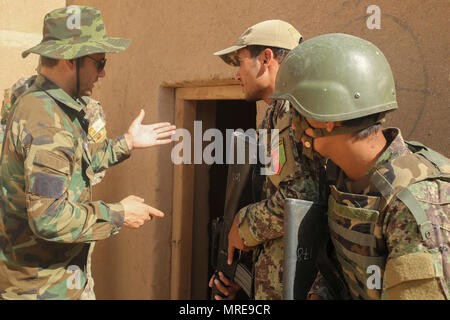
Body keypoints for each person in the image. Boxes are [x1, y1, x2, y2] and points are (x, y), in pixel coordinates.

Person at [0, 6, 176, 300]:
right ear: (70, 60)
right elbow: (49, 219)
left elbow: (71, 162)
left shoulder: (49, 106)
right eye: (99, 62)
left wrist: (127, 143)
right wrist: (120, 214)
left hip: (53, 282)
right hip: (43, 290)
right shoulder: (46, 120)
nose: (104, 72)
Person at [270, 33, 449, 299]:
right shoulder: (343, 176)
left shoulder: (414, 204)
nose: (294, 124)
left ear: (326, 117)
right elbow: (341, 269)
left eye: (297, 111)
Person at [209, 20, 323, 300]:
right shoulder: (275, 113)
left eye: (240, 61)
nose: (237, 74)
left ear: (266, 57)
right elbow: (276, 189)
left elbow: (299, 197)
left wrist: (242, 225)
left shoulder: (288, 110)